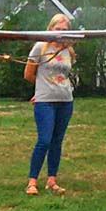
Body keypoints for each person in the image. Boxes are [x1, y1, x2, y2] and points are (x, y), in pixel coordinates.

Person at [23, 13, 76, 195]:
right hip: (45, 101)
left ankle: (52, 180)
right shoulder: (40, 47)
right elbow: (29, 74)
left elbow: (66, 74)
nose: (60, 33)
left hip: (65, 100)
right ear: (50, 28)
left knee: (57, 141)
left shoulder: (68, 50)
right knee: (44, 140)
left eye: (64, 30)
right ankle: (32, 182)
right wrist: (40, 91)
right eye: (57, 29)